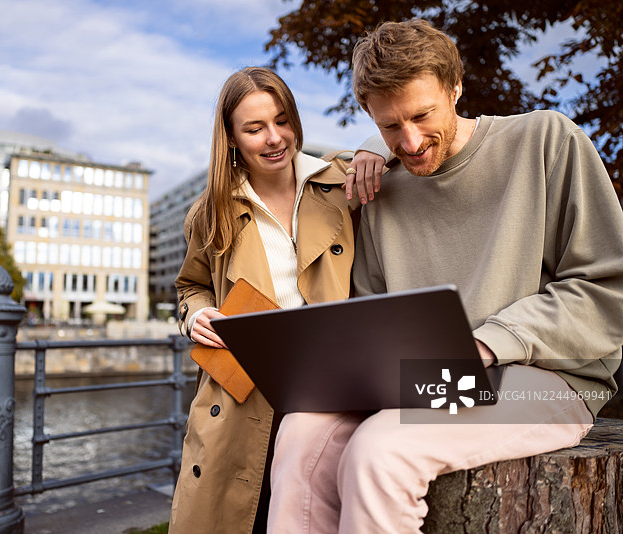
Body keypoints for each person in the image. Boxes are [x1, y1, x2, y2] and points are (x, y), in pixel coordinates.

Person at [267, 19, 623, 533]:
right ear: (370, 115)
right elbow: (372, 306)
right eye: (389, 126)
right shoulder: (381, 184)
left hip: (545, 377)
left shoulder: (545, 140)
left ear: (456, 87)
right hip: (423, 379)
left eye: (422, 115)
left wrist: (485, 344)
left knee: (381, 451)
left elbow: (607, 287)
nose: (409, 142)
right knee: (301, 432)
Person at [168, 67, 387, 534]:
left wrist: (377, 143)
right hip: (243, 392)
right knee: (245, 515)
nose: (274, 138)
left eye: (283, 120)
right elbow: (190, 285)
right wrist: (196, 315)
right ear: (230, 138)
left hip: (334, 388)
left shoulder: (340, 183)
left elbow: (409, 149)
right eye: (254, 128)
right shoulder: (210, 212)